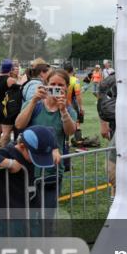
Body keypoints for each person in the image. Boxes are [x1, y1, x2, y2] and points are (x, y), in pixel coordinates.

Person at [14, 69, 76, 211]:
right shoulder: (35, 104)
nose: (56, 87)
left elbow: (70, 132)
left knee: (48, 214)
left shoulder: (68, 109)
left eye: (60, 85)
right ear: (46, 85)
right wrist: (33, 101)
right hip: (28, 168)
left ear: (67, 87)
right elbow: (19, 124)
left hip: (53, 169)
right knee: (27, 213)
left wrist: (63, 110)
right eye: (52, 84)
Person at [0, 126, 60, 234]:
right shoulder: (8, 152)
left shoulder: (29, 147)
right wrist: (10, 163)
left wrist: (55, 149)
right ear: (22, 146)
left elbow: (49, 131)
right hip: (10, 215)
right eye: (35, 156)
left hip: (31, 210)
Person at [0, 59, 19, 151]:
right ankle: (3, 152)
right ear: (10, 69)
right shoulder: (10, 80)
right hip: (6, 108)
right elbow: (16, 95)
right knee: (6, 132)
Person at [64, 62, 85, 144]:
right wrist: (81, 107)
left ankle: (66, 141)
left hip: (62, 103)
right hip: (72, 103)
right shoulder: (75, 80)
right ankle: (78, 140)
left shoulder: (61, 78)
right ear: (72, 70)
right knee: (76, 121)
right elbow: (78, 95)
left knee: (64, 121)